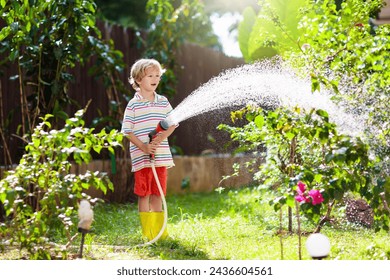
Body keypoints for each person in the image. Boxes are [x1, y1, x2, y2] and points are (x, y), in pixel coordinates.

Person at [121, 58, 176, 241]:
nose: (155, 79)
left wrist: (161, 137)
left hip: (160, 156)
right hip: (141, 157)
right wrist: (144, 146)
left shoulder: (163, 101)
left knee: (157, 193)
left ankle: (159, 233)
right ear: (138, 79)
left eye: (157, 75)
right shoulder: (133, 104)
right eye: (150, 75)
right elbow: (127, 131)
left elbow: (172, 124)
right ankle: (148, 233)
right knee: (144, 193)